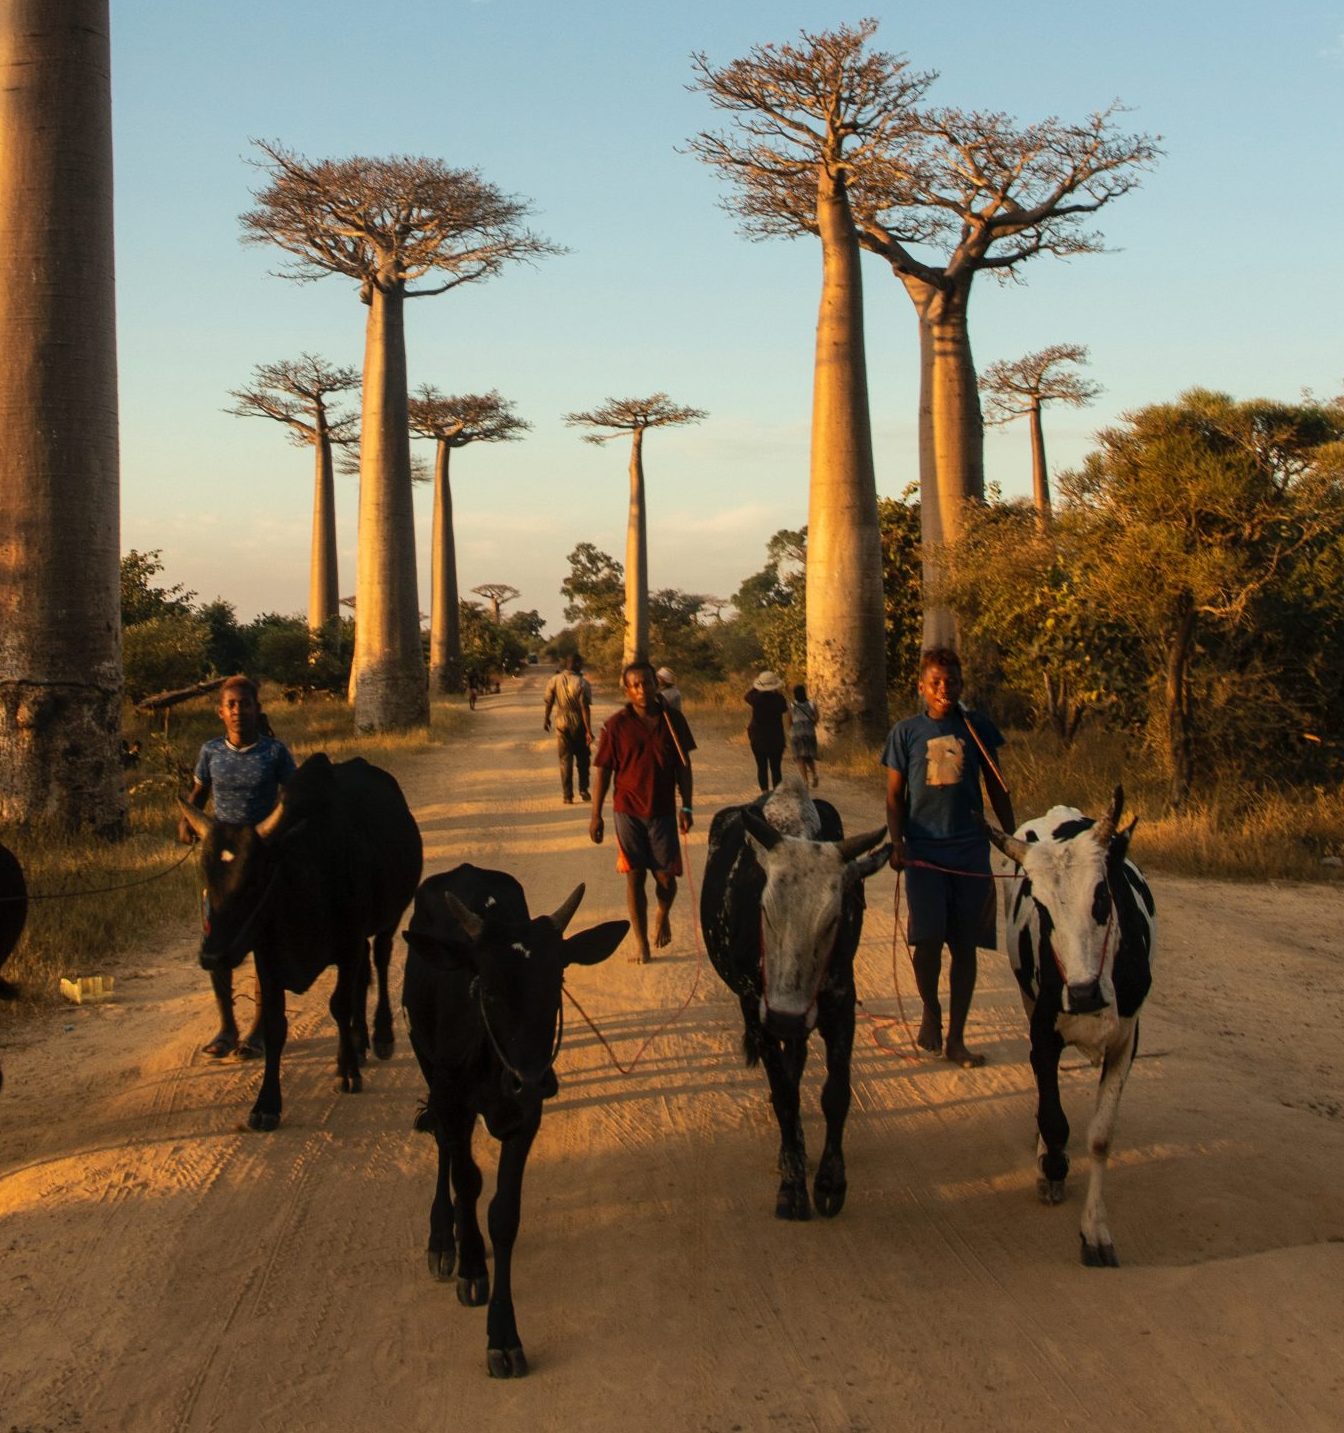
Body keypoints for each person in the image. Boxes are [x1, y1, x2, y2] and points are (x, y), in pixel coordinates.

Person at [882, 648, 1015, 1069]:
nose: (945, 689)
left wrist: (1012, 838)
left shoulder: (977, 728)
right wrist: (898, 841)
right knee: (926, 942)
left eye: (953, 681)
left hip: (969, 850)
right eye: (936, 682)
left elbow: (997, 787)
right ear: (921, 686)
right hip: (924, 850)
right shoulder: (905, 733)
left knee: (964, 945)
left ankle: (956, 1039)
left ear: (962, 684)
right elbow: (893, 795)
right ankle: (930, 1013)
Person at [177, 675, 297, 1059]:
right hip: (222, 860)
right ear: (220, 712)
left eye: (245, 703)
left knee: (264, 944)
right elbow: (198, 795)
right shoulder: (210, 752)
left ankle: (261, 1026)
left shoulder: (275, 753)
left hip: (259, 859)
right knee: (217, 941)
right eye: (230, 704)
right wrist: (186, 822)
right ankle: (227, 1026)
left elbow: (291, 797)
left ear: (257, 708)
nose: (237, 710)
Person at [589, 661, 696, 963]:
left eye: (646, 683)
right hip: (628, 812)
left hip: (662, 811)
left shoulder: (673, 721)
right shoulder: (616, 725)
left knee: (666, 879)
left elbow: (684, 768)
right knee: (634, 877)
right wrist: (596, 815)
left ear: (656, 684)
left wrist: (686, 805)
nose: (642, 690)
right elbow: (604, 773)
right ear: (626, 689)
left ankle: (662, 912)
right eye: (635, 685)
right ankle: (642, 944)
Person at [543, 652, 594, 804]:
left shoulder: (554, 680)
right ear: (577, 664)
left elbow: (549, 701)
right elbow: (585, 707)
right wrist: (589, 731)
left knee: (565, 760)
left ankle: (567, 796)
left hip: (561, 722)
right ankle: (583, 789)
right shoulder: (583, 683)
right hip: (578, 722)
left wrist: (546, 719)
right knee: (583, 758)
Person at [745, 669, 788, 792]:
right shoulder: (779, 700)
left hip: (759, 739)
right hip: (776, 738)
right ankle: (776, 793)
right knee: (776, 768)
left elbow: (747, 696)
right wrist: (775, 690)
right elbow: (784, 708)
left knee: (762, 767)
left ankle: (764, 793)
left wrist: (757, 686)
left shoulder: (756, 699)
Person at [788, 683, 820, 788]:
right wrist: (811, 724)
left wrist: (791, 730)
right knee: (809, 756)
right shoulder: (812, 703)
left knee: (799, 758)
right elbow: (816, 717)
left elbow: (789, 721)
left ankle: (805, 781)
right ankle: (814, 775)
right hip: (809, 733)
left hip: (797, 734)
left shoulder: (792, 705)